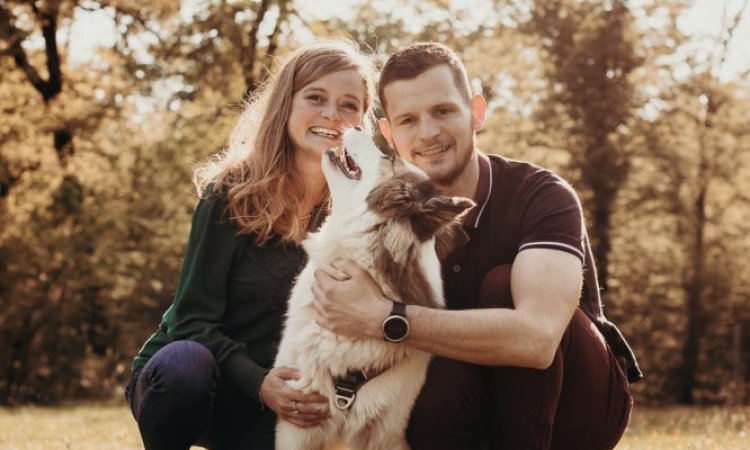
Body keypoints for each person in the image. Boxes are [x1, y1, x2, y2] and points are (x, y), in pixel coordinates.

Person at [312, 42, 642, 450]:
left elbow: (537, 340)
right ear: (389, 135)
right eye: (409, 120)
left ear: (477, 111)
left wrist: (386, 318)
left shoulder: (541, 194)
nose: (428, 133)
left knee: (503, 288)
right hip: (471, 402)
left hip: (577, 407)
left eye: (443, 111)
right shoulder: (385, 218)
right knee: (430, 380)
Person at [125, 40, 377, 450]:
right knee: (185, 365)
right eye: (315, 97)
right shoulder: (232, 192)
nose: (332, 114)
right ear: (286, 105)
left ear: (363, 122)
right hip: (199, 383)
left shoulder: (356, 210)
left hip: (276, 402)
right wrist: (257, 382)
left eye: (349, 105)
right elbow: (190, 319)